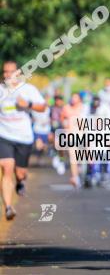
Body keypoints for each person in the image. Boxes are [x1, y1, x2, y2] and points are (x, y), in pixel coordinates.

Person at [0, 60, 48, 218]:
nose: (8, 75)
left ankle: (20, 181)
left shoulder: (28, 90)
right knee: (7, 167)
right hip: (4, 136)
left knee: (20, 173)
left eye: (11, 72)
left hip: (24, 137)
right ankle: (8, 207)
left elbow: (43, 106)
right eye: (5, 72)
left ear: (18, 73)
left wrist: (27, 104)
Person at [61, 93, 86, 187]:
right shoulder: (66, 107)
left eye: (75, 98)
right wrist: (64, 124)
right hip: (71, 135)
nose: (73, 99)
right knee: (73, 156)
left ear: (79, 99)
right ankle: (75, 177)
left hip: (82, 135)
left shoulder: (83, 108)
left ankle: (81, 169)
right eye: (72, 97)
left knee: (82, 156)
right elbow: (62, 117)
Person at [49, 94, 67, 175]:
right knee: (55, 144)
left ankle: (61, 161)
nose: (58, 102)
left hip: (62, 129)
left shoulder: (65, 109)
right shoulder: (52, 109)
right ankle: (55, 155)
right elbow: (49, 118)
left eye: (60, 100)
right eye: (57, 100)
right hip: (53, 129)